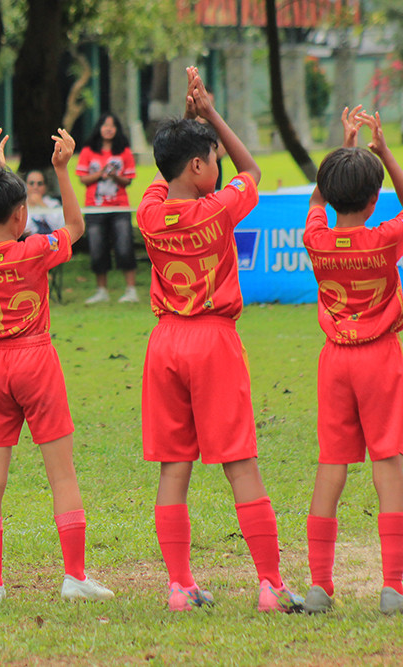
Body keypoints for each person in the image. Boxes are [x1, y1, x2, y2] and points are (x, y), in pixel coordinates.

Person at [136, 67, 302, 613]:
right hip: (213, 341)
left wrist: (186, 128)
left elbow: (168, 171)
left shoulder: (151, 215)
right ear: (200, 165)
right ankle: (270, 585)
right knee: (240, 464)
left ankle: (180, 586)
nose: (219, 165)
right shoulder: (221, 207)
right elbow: (250, 168)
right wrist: (207, 114)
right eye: (211, 158)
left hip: (165, 344)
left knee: (173, 467)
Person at [0, 125, 111, 607]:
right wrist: (62, 170)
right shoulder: (34, 250)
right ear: (22, 212)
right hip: (36, 358)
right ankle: (73, 575)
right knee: (62, 476)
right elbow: (74, 226)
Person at [300, 106, 403, 616]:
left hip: (335, 360)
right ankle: (393, 588)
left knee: (331, 467)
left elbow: (319, 198)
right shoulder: (384, 239)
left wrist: (344, 151)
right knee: (388, 465)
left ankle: (319, 587)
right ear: (374, 198)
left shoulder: (315, 240)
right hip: (380, 359)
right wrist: (382, 151)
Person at [76, 113, 139, 304]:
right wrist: (100, 174)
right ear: (99, 128)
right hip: (95, 209)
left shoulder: (124, 152)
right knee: (97, 248)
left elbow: (128, 180)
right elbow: (82, 178)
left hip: (119, 207)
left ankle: (131, 290)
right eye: (105, 125)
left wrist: (114, 176)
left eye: (112, 126)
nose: (108, 129)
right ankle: (101, 290)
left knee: (124, 246)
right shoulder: (88, 151)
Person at [24, 170, 65, 236]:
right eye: (31, 183)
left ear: (45, 186)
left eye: (39, 184)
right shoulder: (20, 205)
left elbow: (59, 226)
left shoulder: (53, 204)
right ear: (25, 185)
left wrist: (41, 204)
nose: (35, 187)